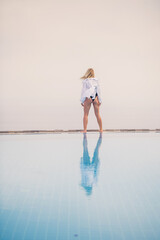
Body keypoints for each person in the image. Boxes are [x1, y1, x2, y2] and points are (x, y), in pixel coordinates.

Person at [80, 68, 103, 133]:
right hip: (95, 97)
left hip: (88, 98)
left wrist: (82, 100)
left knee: (86, 114)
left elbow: (83, 91)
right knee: (97, 114)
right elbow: (98, 91)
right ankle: (101, 129)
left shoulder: (86, 81)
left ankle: (85, 130)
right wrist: (100, 100)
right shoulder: (96, 80)